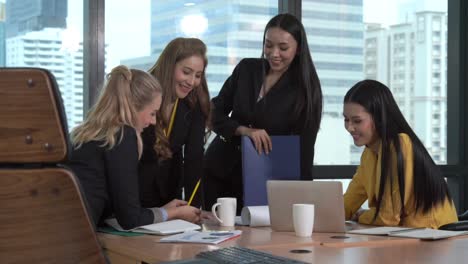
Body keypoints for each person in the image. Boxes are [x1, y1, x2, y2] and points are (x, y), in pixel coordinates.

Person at [203, 13, 323, 213]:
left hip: (263, 179)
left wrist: (304, 201)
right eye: (268, 45)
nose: (274, 53)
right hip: (219, 170)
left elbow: (304, 151)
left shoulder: (305, 90)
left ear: (298, 48)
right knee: (216, 238)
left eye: (283, 48)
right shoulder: (246, 69)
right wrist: (243, 130)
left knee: (256, 239)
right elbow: (214, 113)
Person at [68, 65, 201, 229]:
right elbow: (131, 219)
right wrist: (175, 214)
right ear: (133, 107)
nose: (153, 122)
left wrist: (162, 210)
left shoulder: (83, 133)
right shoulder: (123, 135)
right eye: (152, 113)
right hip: (76, 238)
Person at [343, 79, 458, 229]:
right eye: (346, 119)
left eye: (357, 121)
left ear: (379, 117)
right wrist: (324, 213)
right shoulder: (369, 154)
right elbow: (348, 203)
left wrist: (361, 215)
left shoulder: (399, 145)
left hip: (433, 238)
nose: (349, 127)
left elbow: (386, 217)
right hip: (406, 237)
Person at [139, 38, 211, 209]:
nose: (192, 82)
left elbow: (194, 158)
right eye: (186, 72)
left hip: (170, 196)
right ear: (169, 66)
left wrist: (193, 208)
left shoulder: (195, 102)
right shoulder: (142, 93)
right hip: (135, 193)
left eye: (198, 75)